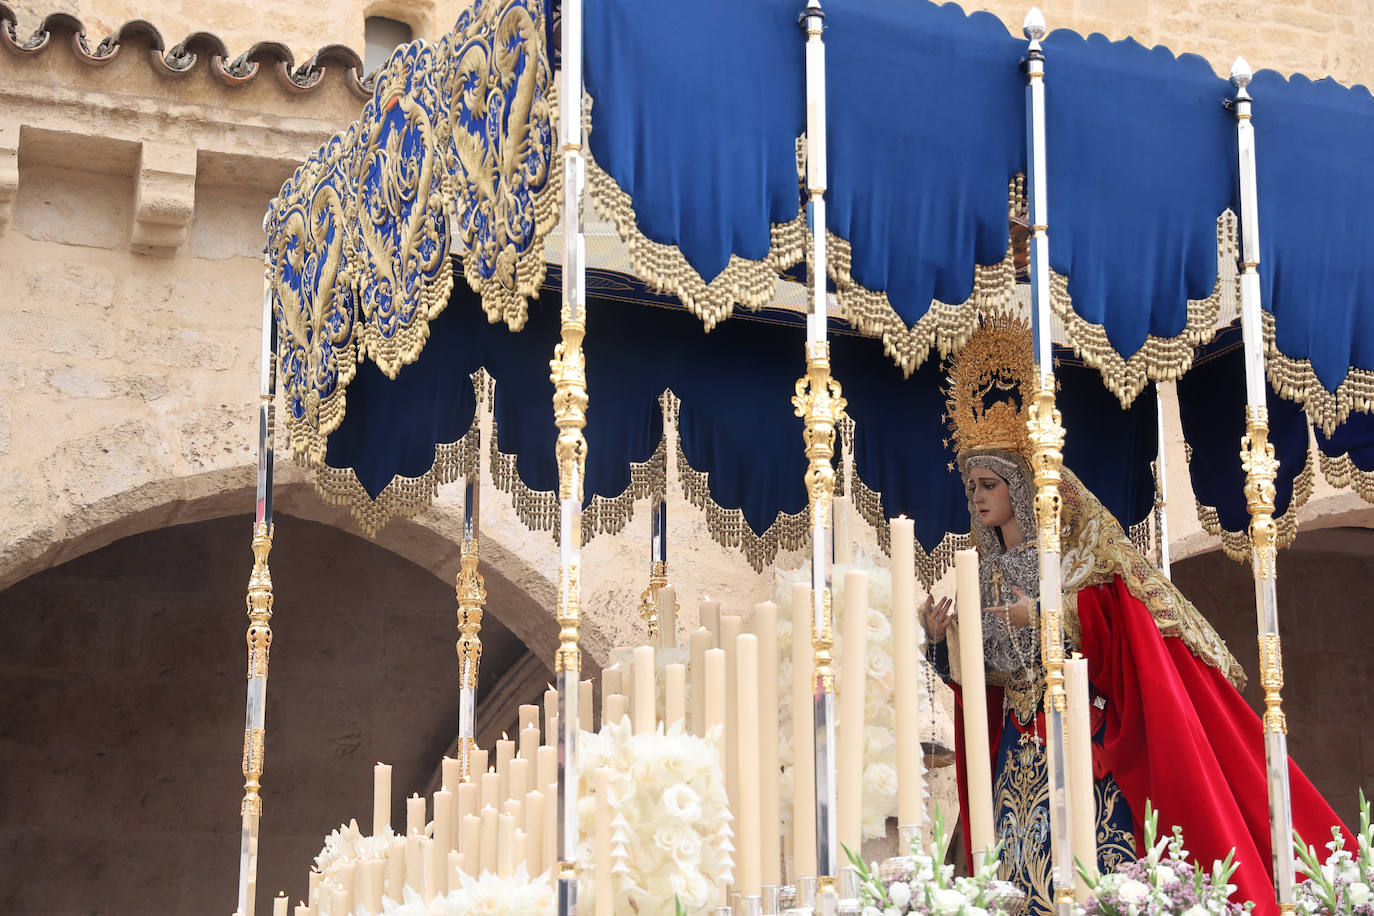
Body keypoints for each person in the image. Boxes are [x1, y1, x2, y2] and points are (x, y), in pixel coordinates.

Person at [921, 316, 1346, 916]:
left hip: (1081, 745)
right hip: (1017, 760)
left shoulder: (1078, 559)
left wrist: (1048, 614)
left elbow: (1121, 625)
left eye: (989, 483)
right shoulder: (982, 574)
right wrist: (944, 645)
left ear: (1020, 485)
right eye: (971, 488)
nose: (979, 497)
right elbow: (990, 682)